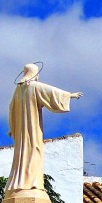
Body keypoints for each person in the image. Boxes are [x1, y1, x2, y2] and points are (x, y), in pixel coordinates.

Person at [6, 62, 82, 193]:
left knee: (22, 154)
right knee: (34, 150)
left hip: (21, 132)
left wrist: (13, 127)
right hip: (32, 129)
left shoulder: (18, 90)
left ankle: (20, 182)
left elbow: (11, 109)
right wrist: (70, 95)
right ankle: (33, 183)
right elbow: (51, 92)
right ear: (34, 74)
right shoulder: (33, 86)